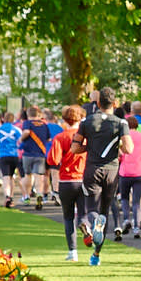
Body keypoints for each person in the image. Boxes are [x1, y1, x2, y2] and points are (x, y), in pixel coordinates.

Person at [78, 92, 133, 266]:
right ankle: (96, 254)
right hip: (111, 170)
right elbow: (129, 149)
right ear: (115, 103)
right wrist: (119, 145)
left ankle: (95, 222)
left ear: (97, 103)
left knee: (92, 209)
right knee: (105, 209)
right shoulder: (121, 123)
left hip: (92, 169)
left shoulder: (86, 122)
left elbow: (74, 148)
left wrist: (90, 146)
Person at [47, 106, 89, 260]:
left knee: (68, 216)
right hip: (83, 179)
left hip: (66, 180)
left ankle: (73, 252)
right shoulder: (86, 137)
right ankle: (85, 224)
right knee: (83, 212)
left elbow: (53, 160)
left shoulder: (60, 137)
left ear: (64, 119)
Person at [21, 106, 57, 209]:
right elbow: (49, 138)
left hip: (28, 153)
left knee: (28, 175)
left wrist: (21, 139)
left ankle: (27, 196)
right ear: (38, 114)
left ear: (28, 115)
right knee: (39, 176)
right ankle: (40, 194)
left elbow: (27, 132)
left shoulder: (27, 123)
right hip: (40, 154)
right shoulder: (44, 125)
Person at [0, 110, 24, 206]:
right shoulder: (16, 130)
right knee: (11, 177)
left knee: (5, 177)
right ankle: (11, 197)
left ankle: (7, 196)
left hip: (3, 155)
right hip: (15, 155)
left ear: (3, 119)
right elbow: (21, 141)